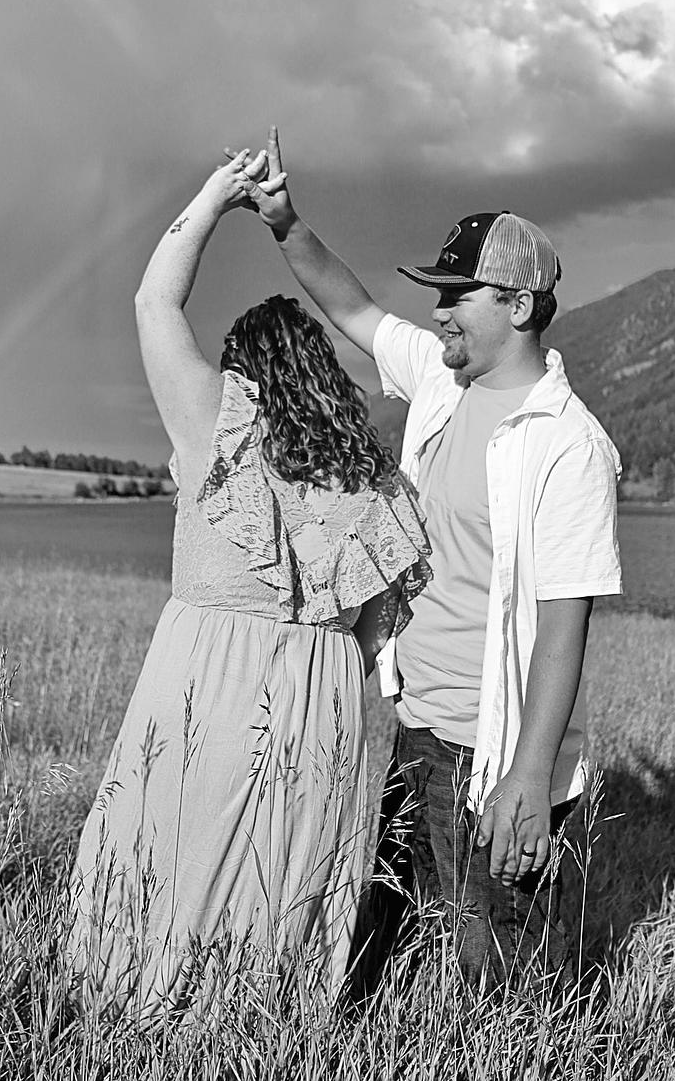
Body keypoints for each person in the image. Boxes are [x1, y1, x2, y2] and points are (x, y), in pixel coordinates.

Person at [243, 127, 622, 988]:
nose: (441, 310)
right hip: (419, 727)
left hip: (498, 754)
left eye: (459, 293)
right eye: (439, 294)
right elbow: (353, 309)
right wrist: (285, 221)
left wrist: (529, 776)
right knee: (388, 952)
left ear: (519, 305)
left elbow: (564, 625)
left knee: (502, 983)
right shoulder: (444, 383)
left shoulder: (568, 446)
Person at [67, 149, 431, 1017]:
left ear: (243, 371)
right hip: (325, 696)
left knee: (172, 856)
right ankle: (270, 1032)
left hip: (208, 677)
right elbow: (377, 631)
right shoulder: (371, 478)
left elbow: (154, 302)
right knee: (289, 882)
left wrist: (215, 195)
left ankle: (139, 1020)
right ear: (323, 376)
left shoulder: (215, 425)